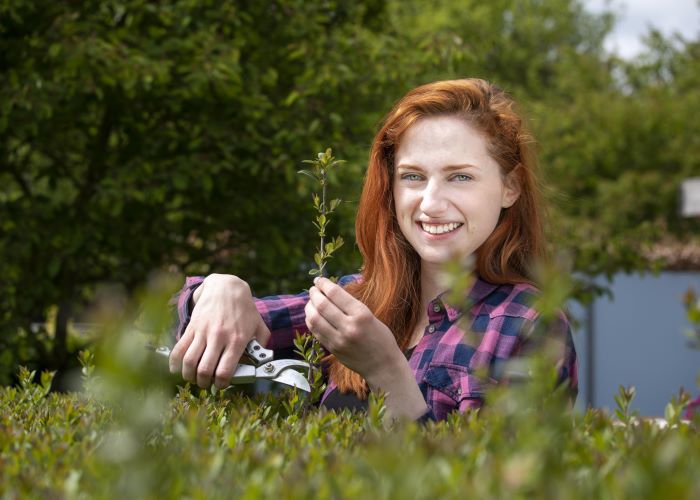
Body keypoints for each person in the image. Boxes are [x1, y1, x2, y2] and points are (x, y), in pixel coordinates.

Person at [169, 78, 578, 422]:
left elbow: (500, 483)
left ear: (511, 186)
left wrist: (385, 369)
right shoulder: (359, 301)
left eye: (460, 177)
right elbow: (207, 327)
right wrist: (220, 291)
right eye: (413, 176)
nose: (431, 203)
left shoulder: (529, 324)